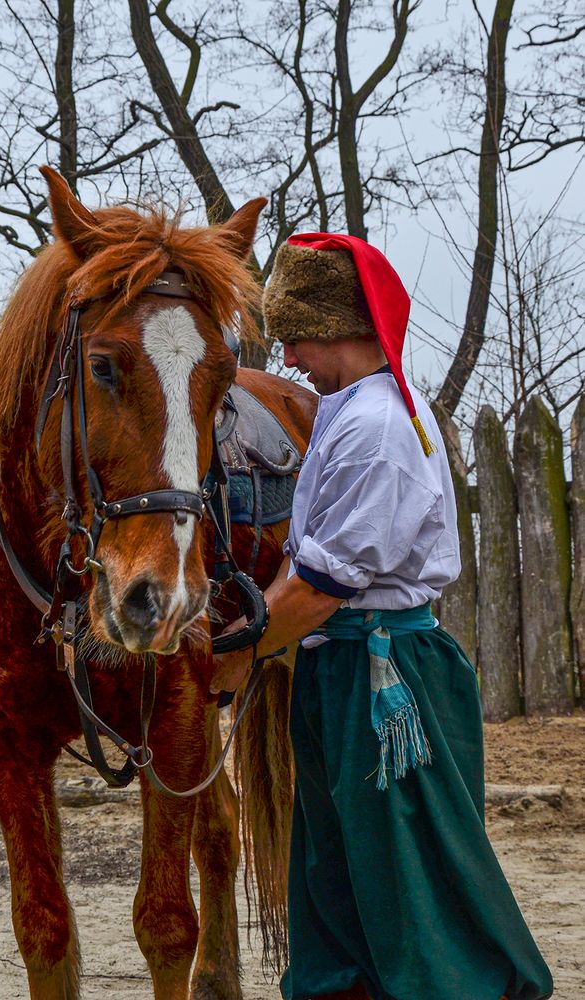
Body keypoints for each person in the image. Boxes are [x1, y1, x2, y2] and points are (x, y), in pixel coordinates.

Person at [210, 233, 553, 1000]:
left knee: (407, 869)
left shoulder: (378, 429)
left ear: (337, 326)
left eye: (296, 335)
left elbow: (327, 582)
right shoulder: (352, 410)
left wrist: (239, 652)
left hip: (385, 676)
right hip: (341, 667)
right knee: (340, 859)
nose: (289, 357)